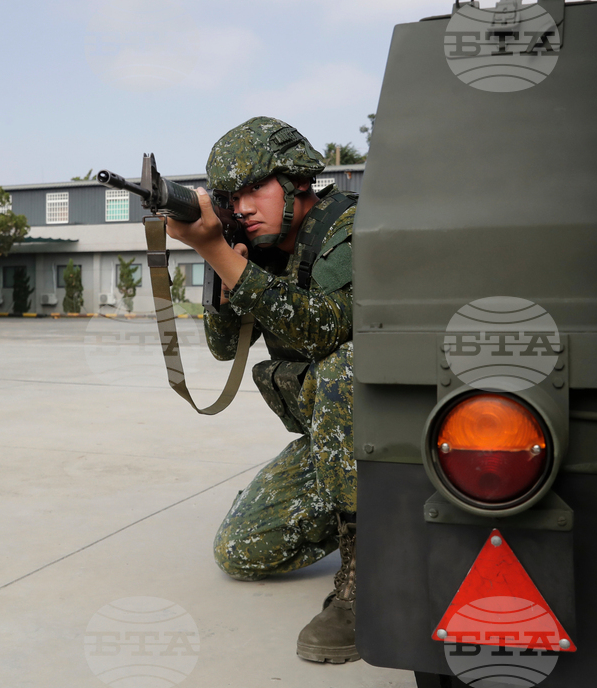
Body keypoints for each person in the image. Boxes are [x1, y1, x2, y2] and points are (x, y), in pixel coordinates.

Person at [165, 117, 358, 663]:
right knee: (240, 550)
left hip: (393, 441)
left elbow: (324, 327)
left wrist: (222, 258)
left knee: (347, 364)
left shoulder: (348, 226)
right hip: (335, 448)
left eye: (256, 188)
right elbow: (225, 347)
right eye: (232, 196)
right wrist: (224, 262)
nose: (244, 206)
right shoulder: (255, 247)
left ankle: (369, 574)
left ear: (296, 179)